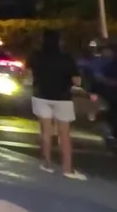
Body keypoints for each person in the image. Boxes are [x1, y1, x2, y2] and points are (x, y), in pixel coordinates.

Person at [25, 29, 85, 179]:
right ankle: (67, 169)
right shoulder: (66, 58)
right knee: (64, 134)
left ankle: (47, 164)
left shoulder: (35, 56)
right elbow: (77, 81)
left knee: (46, 131)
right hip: (63, 98)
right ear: (59, 41)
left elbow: (27, 75)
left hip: (41, 96)